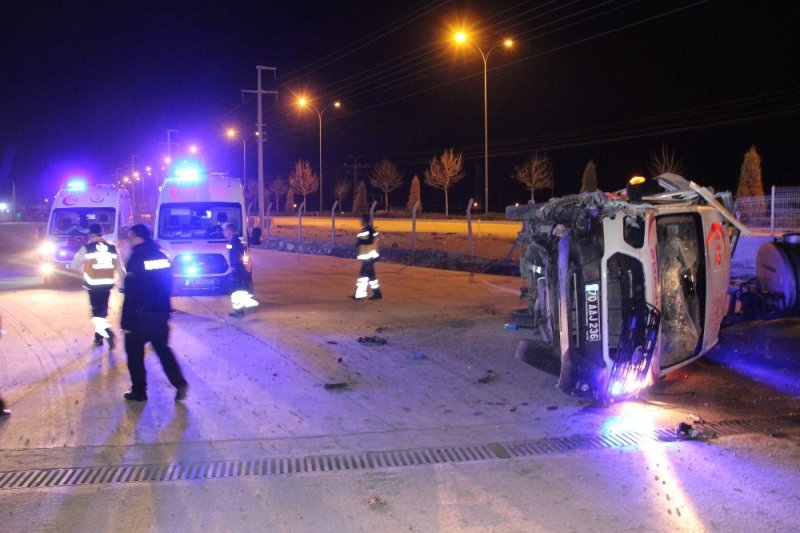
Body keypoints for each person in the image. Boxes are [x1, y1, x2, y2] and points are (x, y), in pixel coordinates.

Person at [120, 224, 188, 402]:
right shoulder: (160, 255)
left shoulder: (137, 258)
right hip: (160, 312)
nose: (129, 240)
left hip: (140, 317)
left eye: (130, 236)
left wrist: (126, 322)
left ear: (137, 237)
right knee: (162, 349)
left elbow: (132, 293)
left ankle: (139, 391)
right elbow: (168, 284)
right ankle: (179, 382)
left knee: (134, 354)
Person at [70, 223, 122, 348]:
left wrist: (83, 270)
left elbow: (73, 266)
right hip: (107, 284)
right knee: (103, 310)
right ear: (102, 234)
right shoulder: (113, 248)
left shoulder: (87, 248)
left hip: (93, 285)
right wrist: (121, 284)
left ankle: (107, 333)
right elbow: (120, 268)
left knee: (96, 311)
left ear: (90, 235)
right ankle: (98, 338)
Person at [224, 223, 258, 318]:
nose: (224, 232)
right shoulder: (232, 241)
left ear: (230, 230)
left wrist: (233, 267)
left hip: (237, 270)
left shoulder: (235, 241)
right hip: (237, 269)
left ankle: (240, 311)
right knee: (236, 290)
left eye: (225, 230)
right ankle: (239, 311)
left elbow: (236, 255)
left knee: (236, 290)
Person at [354, 214, 382, 300]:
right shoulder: (369, 229)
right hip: (369, 256)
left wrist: (359, 242)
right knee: (371, 276)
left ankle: (360, 295)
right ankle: (377, 293)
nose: (360, 222)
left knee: (363, 276)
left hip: (368, 257)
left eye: (361, 220)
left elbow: (368, 241)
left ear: (364, 221)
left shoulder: (367, 230)